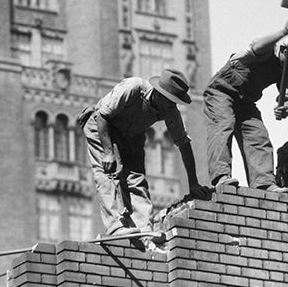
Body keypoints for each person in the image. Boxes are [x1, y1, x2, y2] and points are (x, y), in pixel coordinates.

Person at [79, 69, 209, 240]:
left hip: (132, 135)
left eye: (174, 103)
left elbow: (184, 145)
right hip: (102, 127)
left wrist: (193, 183)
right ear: (158, 94)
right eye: (169, 102)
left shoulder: (170, 111)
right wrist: (109, 153)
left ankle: (143, 228)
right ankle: (115, 226)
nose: (171, 107)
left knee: (137, 178)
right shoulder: (133, 88)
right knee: (108, 174)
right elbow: (103, 116)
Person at [203, 21, 288, 193]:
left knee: (258, 136)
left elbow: (287, 98)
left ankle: (264, 183)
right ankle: (221, 177)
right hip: (221, 92)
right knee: (223, 126)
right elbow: (256, 45)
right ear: (284, 50)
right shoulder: (265, 51)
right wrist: (284, 31)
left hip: (246, 102)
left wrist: (284, 107)